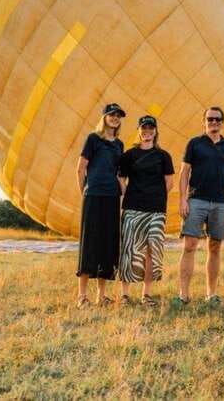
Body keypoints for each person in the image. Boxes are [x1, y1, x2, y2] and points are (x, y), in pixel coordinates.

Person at [177, 106, 224, 305]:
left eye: (217, 119)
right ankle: (183, 295)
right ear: (204, 121)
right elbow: (184, 172)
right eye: (210, 119)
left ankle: (211, 294)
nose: (214, 122)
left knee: (215, 247)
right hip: (196, 200)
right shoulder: (194, 143)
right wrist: (182, 199)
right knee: (189, 245)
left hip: (220, 203)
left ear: (222, 122)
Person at [117, 115, 174, 307]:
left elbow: (169, 182)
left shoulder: (163, 156)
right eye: (144, 128)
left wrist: (155, 195)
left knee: (152, 251)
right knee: (129, 250)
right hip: (133, 208)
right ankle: (125, 295)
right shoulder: (129, 155)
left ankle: (146, 294)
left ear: (156, 131)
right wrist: (130, 193)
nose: (147, 131)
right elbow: (121, 179)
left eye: (151, 128)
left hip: (156, 210)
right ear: (139, 130)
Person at [76, 103, 125, 308]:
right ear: (104, 117)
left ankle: (101, 295)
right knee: (90, 243)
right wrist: (85, 192)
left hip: (112, 197)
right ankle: (82, 296)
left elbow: (120, 174)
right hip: (94, 195)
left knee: (107, 244)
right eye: (111, 114)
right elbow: (80, 168)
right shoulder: (93, 138)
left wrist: (124, 194)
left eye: (118, 115)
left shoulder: (119, 144)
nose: (115, 118)